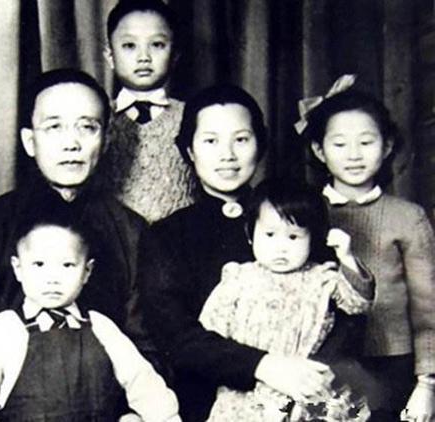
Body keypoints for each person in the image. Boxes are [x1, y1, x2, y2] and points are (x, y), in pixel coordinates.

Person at [0, 69, 151, 415]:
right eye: (54, 127)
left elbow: (148, 349)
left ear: (107, 139)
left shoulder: (131, 232)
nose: (71, 143)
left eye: (87, 127)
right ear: (29, 141)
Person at [139, 84, 358, 421]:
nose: (227, 155)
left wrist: (312, 376)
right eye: (210, 141)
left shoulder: (296, 214)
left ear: (261, 144)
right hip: (207, 404)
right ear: (190, 150)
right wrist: (265, 366)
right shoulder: (167, 235)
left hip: (308, 398)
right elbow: (176, 335)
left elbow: (343, 311)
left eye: (241, 139)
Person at [0, 210, 180, 421]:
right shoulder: (4, 330)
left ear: (87, 271)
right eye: (39, 264)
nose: (52, 278)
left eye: (67, 265)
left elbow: (148, 390)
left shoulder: (101, 327)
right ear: (18, 268)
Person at [301, 82, 435, 421]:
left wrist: (427, 385)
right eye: (339, 144)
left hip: (393, 366)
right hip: (320, 363)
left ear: (387, 146)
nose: (354, 155)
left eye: (366, 142)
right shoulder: (303, 213)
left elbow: (428, 308)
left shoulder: (409, 217)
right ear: (319, 150)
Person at [199, 179, 373, 421]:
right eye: (269, 235)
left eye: (293, 237)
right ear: (250, 234)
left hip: (305, 386)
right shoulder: (238, 278)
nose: (281, 247)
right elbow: (210, 334)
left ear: (312, 239)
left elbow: (358, 303)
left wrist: (347, 257)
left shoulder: (322, 278)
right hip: (246, 390)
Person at [101, 0, 196, 222]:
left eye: (157, 45)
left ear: (175, 54)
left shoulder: (193, 116)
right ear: (110, 56)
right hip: (108, 239)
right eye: (129, 46)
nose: (143, 57)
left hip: (180, 239)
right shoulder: (96, 118)